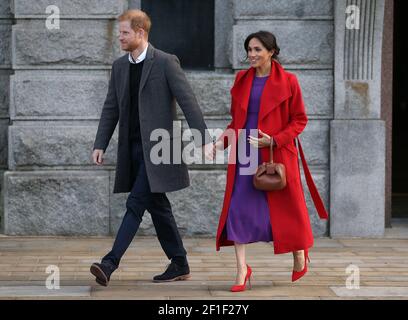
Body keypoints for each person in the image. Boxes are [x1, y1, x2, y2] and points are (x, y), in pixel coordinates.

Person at [90, 9, 212, 286]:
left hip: (159, 148)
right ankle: (179, 262)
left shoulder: (166, 62)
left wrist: (202, 138)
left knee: (135, 203)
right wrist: (100, 143)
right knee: (157, 206)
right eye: (120, 33)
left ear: (140, 33)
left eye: (124, 33)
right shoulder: (119, 67)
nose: (119, 38)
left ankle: (109, 264)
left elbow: (188, 101)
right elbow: (111, 108)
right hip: (131, 150)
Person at [208, 31, 328, 292]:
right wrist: (219, 143)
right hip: (245, 153)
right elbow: (236, 122)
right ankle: (242, 270)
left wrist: (274, 140)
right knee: (237, 208)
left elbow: (299, 120)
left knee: (288, 209)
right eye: (249, 50)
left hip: (277, 154)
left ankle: (299, 253)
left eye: (257, 50)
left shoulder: (290, 81)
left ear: (272, 51)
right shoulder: (241, 79)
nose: (251, 55)